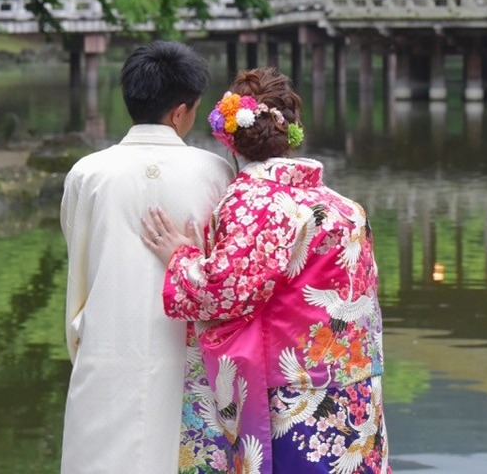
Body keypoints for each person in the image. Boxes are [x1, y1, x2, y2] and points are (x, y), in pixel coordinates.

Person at [142, 67, 391, 473]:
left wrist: (182, 257)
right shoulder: (345, 206)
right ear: (293, 131)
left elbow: (225, 291)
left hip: (295, 395)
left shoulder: (255, 198)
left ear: (229, 136)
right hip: (357, 385)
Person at [60, 40, 235, 474]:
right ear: (180, 111)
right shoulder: (215, 172)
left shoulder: (88, 172)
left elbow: (79, 250)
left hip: (107, 342)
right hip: (186, 350)